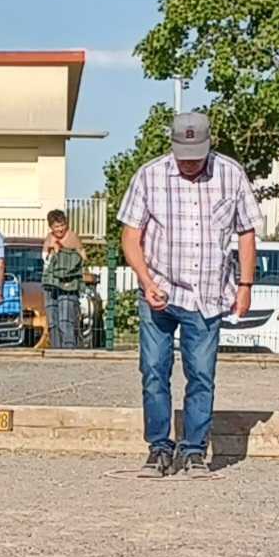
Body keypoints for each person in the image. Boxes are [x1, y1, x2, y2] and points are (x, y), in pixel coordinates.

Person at [115, 110, 257, 478]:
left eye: (196, 157)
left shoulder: (231, 174)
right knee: (153, 371)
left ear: (209, 146)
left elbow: (246, 231)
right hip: (158, 292)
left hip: (207, 295)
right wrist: (146, 281)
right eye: (184, 157)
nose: (190, 164)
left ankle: (194, 451)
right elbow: (130, 235)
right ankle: (159, 448)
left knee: (202, 375)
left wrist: (245, 285)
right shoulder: (149, 176)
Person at [41, 209, 88, 349]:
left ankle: (68, 349)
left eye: (62, 225)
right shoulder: (49, 238)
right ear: (51, 227)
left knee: (65, 320)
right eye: (56, 226)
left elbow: (83, 257)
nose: (60, 229)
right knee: (52, 320)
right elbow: (45, 259)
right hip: (51, 283)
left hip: (68, 283)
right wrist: (52, 250)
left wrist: (63, 251)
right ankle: (56, 349)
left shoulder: (72, 237)